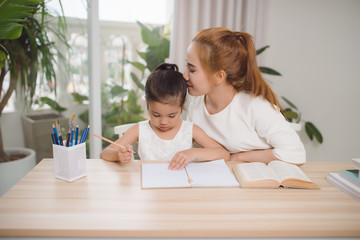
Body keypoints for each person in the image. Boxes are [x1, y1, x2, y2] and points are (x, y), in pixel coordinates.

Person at [171, 27, 305, 170]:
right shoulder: (196, 104)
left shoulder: (254, 106)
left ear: (219, 76)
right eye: (187, 66)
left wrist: (238, 157)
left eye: (192, 70)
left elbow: (295, 154)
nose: (184, 75)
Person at [100, 63, 229, 169]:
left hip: (181, 191)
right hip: (149, 191)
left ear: (182, 105)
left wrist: (193, 152)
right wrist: (117, 155)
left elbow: (224, 154)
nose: (163, 122)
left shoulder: (190, 129)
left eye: (172, 115)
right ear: (147, 103)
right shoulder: (139, 129)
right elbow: (104, 153)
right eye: (156, 114)